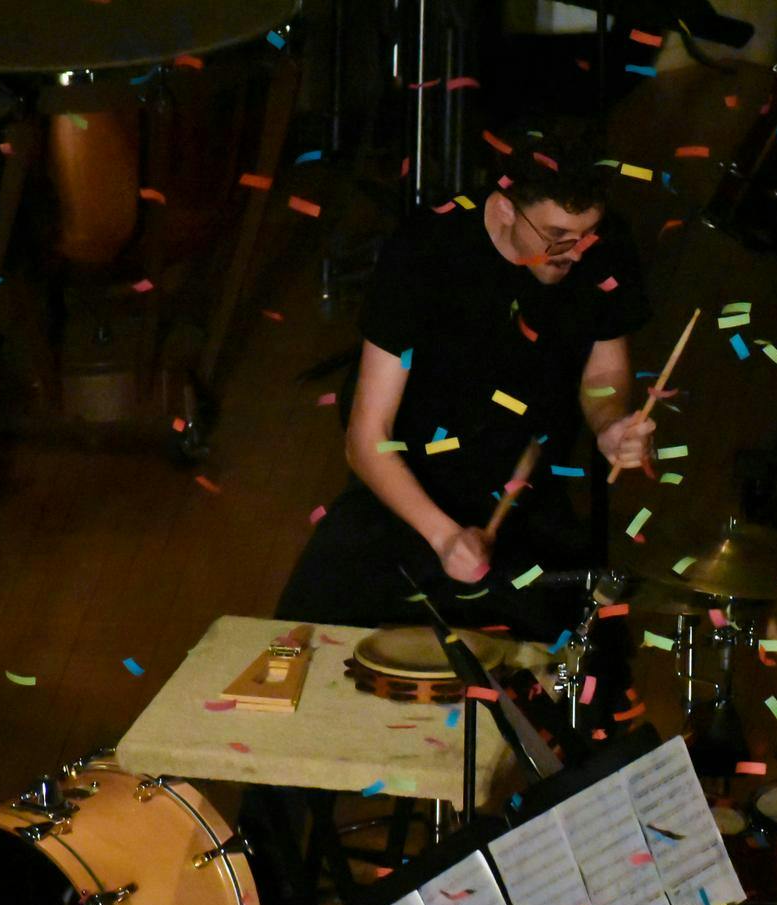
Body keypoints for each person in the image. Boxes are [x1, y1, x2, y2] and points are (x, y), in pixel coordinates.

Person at [276, 119, 655, 639]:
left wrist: (610, 422)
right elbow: (366, 437)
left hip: (526, 504)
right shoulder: (425, 250)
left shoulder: (603, 247)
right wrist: (444, 536)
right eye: (557, 237)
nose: (576, 251)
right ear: (504, 208)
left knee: (571, 665)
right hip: (407, 497)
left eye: (587, 235)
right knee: (298, 648)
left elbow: (606, 369)